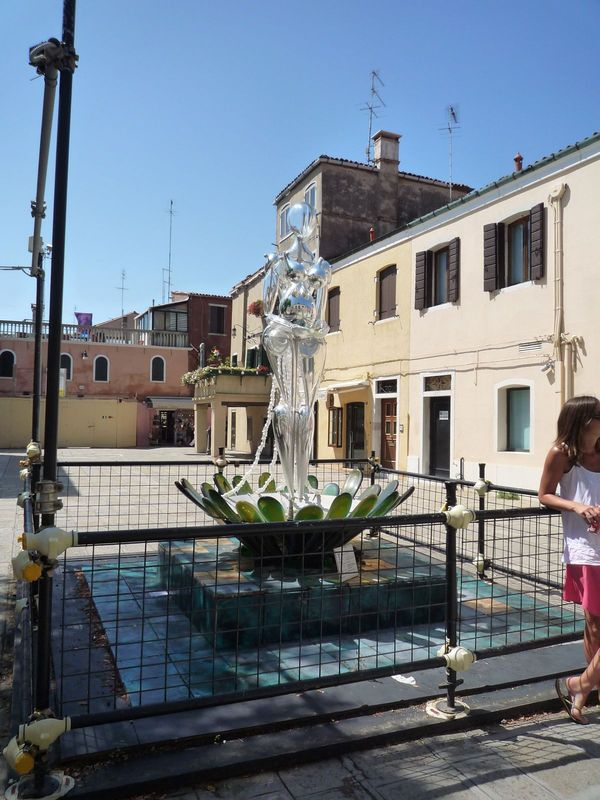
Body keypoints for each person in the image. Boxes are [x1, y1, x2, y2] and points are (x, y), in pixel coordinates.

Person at [538, 395, 600, 723]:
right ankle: (587, 690)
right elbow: (545, 494)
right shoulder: (561, 453)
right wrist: (577, 506)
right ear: (584, 421)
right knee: (594, 625)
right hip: (586, 550)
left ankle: (580, 685)